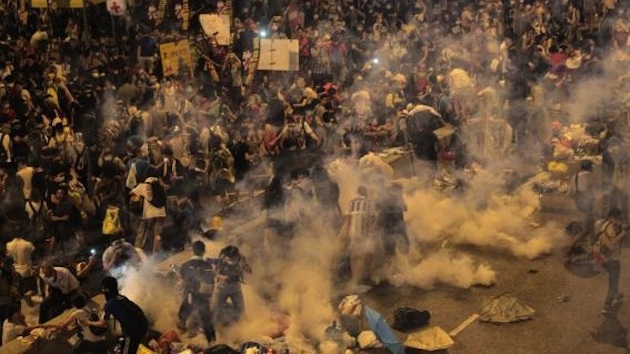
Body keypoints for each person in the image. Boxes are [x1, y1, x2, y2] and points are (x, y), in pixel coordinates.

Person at [86, 277, 148, 354]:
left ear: (105, 290)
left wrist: (88, 323)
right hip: (143, 325)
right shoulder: (121, 298)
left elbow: (102, 323)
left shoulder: (109, 304)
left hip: (133, 332)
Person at [177, 240, 216, 343]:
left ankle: (179, 340)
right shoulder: (207, 266)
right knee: (207, 322)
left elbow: (181, 283)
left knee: (182, 316)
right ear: (204, 251)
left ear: (192, 251)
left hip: (190, 296)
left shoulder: (185, 265)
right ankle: (212, 344)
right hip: (203, 298)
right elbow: (211, 284)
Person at [595, 208, 627, 314]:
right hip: (608, 259)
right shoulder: (608, 228)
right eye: (618, 218)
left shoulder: (608, 225)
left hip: (608, 258)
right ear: (612, 218)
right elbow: (611, 246)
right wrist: (623, 233)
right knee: (613, 282)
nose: (620, 220)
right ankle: (606, 306)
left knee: (615, 277)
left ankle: (616, 296)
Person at [213, 245, 251, 326]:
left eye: (234, 258)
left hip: (236, 289)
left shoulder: (241, 259)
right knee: (216, 310)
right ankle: (216, 330)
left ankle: (243, 329)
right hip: (222, 288)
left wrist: (245, 267)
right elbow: (215, 273)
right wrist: (223, 277)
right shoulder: (222, 259)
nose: (232, 260)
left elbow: (249, 270)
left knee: (241, 312)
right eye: (230, 258)